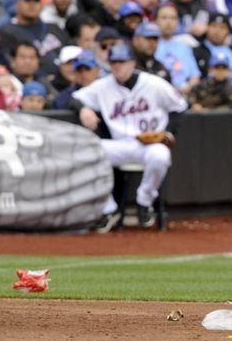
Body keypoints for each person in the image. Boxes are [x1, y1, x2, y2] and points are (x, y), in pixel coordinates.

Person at [72, 41, 188, 233]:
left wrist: (167, 132)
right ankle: (108, 209)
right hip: (120, 145)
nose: (117, 66)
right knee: (86, 152)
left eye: (122, 61)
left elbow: (179, 106)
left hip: (149, 145)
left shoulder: (154, 83)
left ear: (133, 63)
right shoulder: (102, 86)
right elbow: (73, 98)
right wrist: (83, 108)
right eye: (114, 62)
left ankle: (144, 202)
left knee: (161, 155)